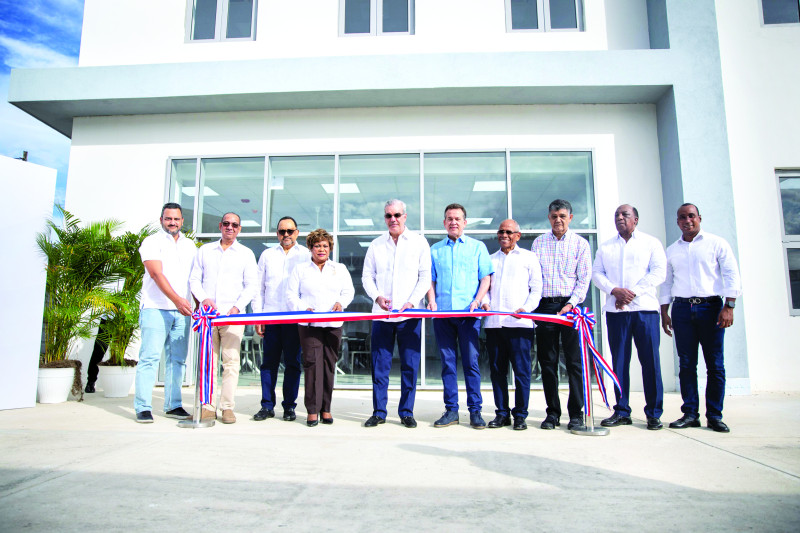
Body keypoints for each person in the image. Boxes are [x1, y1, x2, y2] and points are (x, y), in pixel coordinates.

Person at [660, 203, 742, 433]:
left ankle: (715, 415)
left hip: (711, 308)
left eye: (691, 216)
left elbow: (731, 275)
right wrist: (664, 311)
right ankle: (690, 414)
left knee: (715, 364)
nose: (688, 221)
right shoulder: (672, 250)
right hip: (683, 310)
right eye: (682, 217)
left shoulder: (716, 244)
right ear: (677, 222)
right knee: (686, 364)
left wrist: (730, 306)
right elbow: (666, 283)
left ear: (699, 218)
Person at [593, 204, 667, 430]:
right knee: (619, 363)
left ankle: (654, 413)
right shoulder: (606, 247)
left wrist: (631, 293)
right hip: (617, 313)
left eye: (624, 214)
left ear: (636, 219)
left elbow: (658, 273)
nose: (620, 217)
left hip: (645, 311)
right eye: (616, 215)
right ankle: (622, 410)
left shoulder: (651, 243)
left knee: (650, 363)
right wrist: (615, 291)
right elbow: (597, 274)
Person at [362, 200, 431, 429]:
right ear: (384, 218)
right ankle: (379, 412)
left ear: (405, 216)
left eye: (397, 215)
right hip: (382, 316)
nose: (393, 219)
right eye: (388, 215)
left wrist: (412, 302)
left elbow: (424, 277)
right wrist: (377, 297)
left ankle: (406, 412)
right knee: (380, 365)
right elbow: (366, 277)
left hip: (409, 316)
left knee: (409, 366)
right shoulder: (376, 245)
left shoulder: (419, 243)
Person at [427, 203, 493, 429]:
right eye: (449, 218)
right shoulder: (435, 249)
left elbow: (485, 278)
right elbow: (431, 280)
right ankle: (451, 410)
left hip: (469, 315)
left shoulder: (477, 247)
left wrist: (477, 300)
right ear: (444, 223)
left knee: (471, 363)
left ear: (465, 222)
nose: (453, 222)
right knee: (447, 364)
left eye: (457, 218)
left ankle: (475, 411)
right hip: (443, 316)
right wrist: (431, 300)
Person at [189, 212, 257, 424]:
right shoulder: (205, 251)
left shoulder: (246, 254)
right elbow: (194, 280)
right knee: (208, 362)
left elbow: (251, 286)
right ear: (220, 226)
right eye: (226, 224)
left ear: (239, 229)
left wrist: (238, 307)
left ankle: (227, 407)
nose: (230, 227)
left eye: (234, 225)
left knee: (231, 362)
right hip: (209, 317)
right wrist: (204, 299)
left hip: (233, 317)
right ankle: (207, 407)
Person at [531, 199, 592, 431]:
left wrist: (571, 303)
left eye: (563, 216)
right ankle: (552, 413)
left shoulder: (580, 244)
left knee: (575, 363)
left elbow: (584, 279)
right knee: (548, 362)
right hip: (545, 307)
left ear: (570, 218)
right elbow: (535, 278)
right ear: (549, 218)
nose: (558, 220)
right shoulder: (539, 243)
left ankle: (576, 414)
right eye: (554, 216)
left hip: (572, 309)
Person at [133, 202, 197, 424]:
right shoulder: (152, 242)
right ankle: (142, 407)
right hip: (156, 308)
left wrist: (197, 305)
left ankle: (173, 405)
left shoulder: (190, 246)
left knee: (177, 360)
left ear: (182, 221)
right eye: (168, 218)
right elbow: (156, 274)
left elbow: (194, 279)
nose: (172, 222)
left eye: (176, 219)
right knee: (149, 358)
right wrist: (179, 300)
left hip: (182, 312)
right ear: (161, 220)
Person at [287, 228, 354, 427]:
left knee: (328, 366)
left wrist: (341, 303)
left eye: (325, 246)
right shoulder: (300, 269)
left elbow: (348, 291)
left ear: (330, 248)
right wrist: (302, 308)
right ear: (310, 248)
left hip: (333, 324)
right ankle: (312, 410)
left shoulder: (339, 268)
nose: (321, 249)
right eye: (317, 246)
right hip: (309, 324)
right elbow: (291, 295)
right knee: (312, 365)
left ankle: (326, 408)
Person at [482, 219, 542, 431]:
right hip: (495, 325)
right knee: (497, 372)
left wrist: (526, 308)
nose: (504, 235)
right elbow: (485, 289)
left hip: (520, 325)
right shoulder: (490, 260)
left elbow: (536, 290)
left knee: (522, 372)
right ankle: (501, 414)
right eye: (500, 231)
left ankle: (520, 415)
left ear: (518, 235)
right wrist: (485, 302)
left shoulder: (529, 258)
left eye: (508, 232)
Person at [252, 216, 310, 422]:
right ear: (277, 233)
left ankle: (289, 407)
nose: (286, 235)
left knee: (293, 364)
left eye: (290, 231)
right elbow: (258, 288)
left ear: (297, 232)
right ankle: (267, 406)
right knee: (269, 364)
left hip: (295, 318)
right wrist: (258, 317)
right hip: (271, 316)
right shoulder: (267, 255)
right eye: (281, 231)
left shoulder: (306, 255)